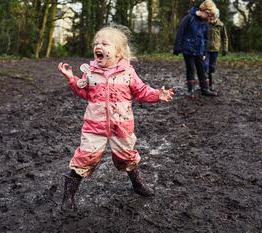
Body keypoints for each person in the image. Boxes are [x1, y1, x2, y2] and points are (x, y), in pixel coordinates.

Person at [57, 26, 175, 211]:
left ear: (119, 52)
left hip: (122, 126)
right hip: (94, 126)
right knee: (85, 157)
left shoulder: (128, 72)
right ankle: (68, 196)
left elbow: (141, 91)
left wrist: (157, 95)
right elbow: (85, 93)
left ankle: (137, 184)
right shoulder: (90, 72)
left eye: (105, 43)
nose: (99, 46)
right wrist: (72, 79)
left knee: (126, 156)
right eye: (96, 43)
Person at [173, 0, 219, 97]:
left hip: (199, 49)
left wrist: (205, 52)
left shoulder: (205, 22)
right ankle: (191, 89)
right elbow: (180, 32)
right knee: (190, 68)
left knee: (201, 69)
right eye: (208, 15)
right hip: (188, 49)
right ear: (203, 11)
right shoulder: (189, 18)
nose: (209, 18)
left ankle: (205, 88)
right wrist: (177, 47)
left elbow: (206, 38)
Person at [204, 8, 228, 91]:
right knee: (205, 66)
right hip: (205, 49)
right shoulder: (206, 24)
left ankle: (211, 84)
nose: (211, 20)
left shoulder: (221, 25)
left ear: (217, 17)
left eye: (213, 18)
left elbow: (225, 37)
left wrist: (225, 48)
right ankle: (205, 85)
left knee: (212, 67)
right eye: (210, 18)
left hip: (215, 50)